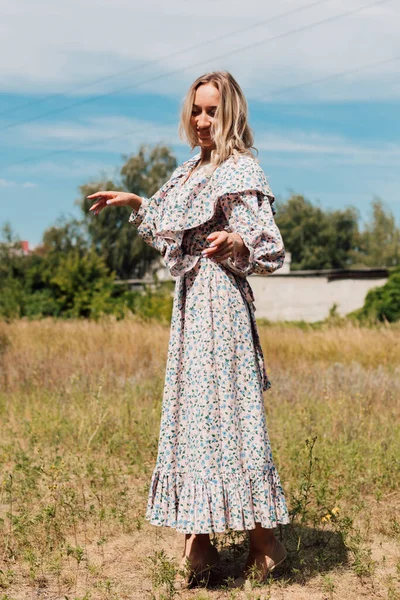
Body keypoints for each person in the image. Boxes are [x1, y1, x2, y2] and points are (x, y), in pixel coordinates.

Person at [88, 71, 290, 585]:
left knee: (227, 419)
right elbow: (169, 224)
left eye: (212, 111)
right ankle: (200, 543)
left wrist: (236, 242)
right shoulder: (190, 172)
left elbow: (269, 248)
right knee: (193, 420)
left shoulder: (239, 170)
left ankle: (261, 543)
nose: (202, 121)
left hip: (221, 305)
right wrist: (135, 202)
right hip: (191, 307)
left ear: (232, 114)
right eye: (196, 110)